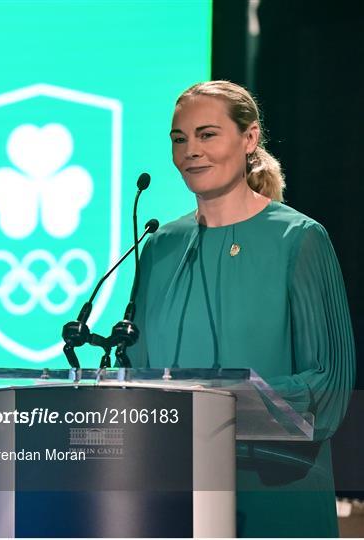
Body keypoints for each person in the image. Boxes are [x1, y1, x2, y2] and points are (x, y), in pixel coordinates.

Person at [130, 80, 355, 537]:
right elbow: (135, 368)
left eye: (207, 134)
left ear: (249, 138)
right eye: (180, 138)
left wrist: (221, 409)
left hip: (276, 492)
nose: (191, 150)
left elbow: (328, 386)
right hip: (176, 494)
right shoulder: (160, 246)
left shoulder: (299, 239)